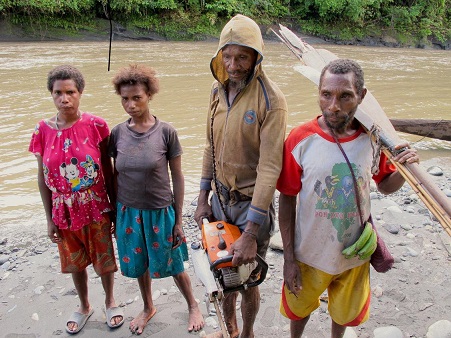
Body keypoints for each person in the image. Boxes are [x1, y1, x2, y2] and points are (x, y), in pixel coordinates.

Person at [277, 58, 420, 338]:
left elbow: (386, 187)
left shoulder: (373, 140)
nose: (333, 106)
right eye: (326, 94)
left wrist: (404, 168)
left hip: (354, 253)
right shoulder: (300, 140)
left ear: (362, 96)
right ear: (318, 92)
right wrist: (289, 257)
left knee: (342, 314)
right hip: (309, 253)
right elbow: (287, 198)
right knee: (299, 308)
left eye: (345, 96)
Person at [194, 14, 288, 338]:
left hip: (251, 206)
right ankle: (229, 328)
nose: (233, 65)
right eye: (227, 56)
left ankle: (247, 332)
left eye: (242, 57)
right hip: (220, 199)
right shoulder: (215, 91)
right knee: (223, 272)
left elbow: (270, 168)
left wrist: (250, 232)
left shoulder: (270, 99)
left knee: (248, 277)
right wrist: (201, 198)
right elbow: (209, 147)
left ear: (256, 58)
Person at [109, 64, 205, 335]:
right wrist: (116, 214)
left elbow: (178, 177)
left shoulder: (166, 132)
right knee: (139, 265)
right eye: (125, 98)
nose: (130, 104)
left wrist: (178, 221)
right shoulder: (117, 133)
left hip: (160, 211)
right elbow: (114, 176)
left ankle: (193, 305)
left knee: (174, 263)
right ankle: (148, 306)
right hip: (128, 211)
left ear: (149, 95)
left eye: (136, 97)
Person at [29, 65, 124, 334]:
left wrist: (114, 207)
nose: (64, 98)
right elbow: (42, 177)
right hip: (63, 210)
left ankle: (110, 300)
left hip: (95, 205)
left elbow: (108, 169)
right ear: (51, 95)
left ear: (80, 93)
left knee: (103, 257)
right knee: (74, 260)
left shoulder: (96, 125)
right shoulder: (41, 131)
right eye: (58, 93)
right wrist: (48, 219)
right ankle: (84, 305)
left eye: (70, 92)